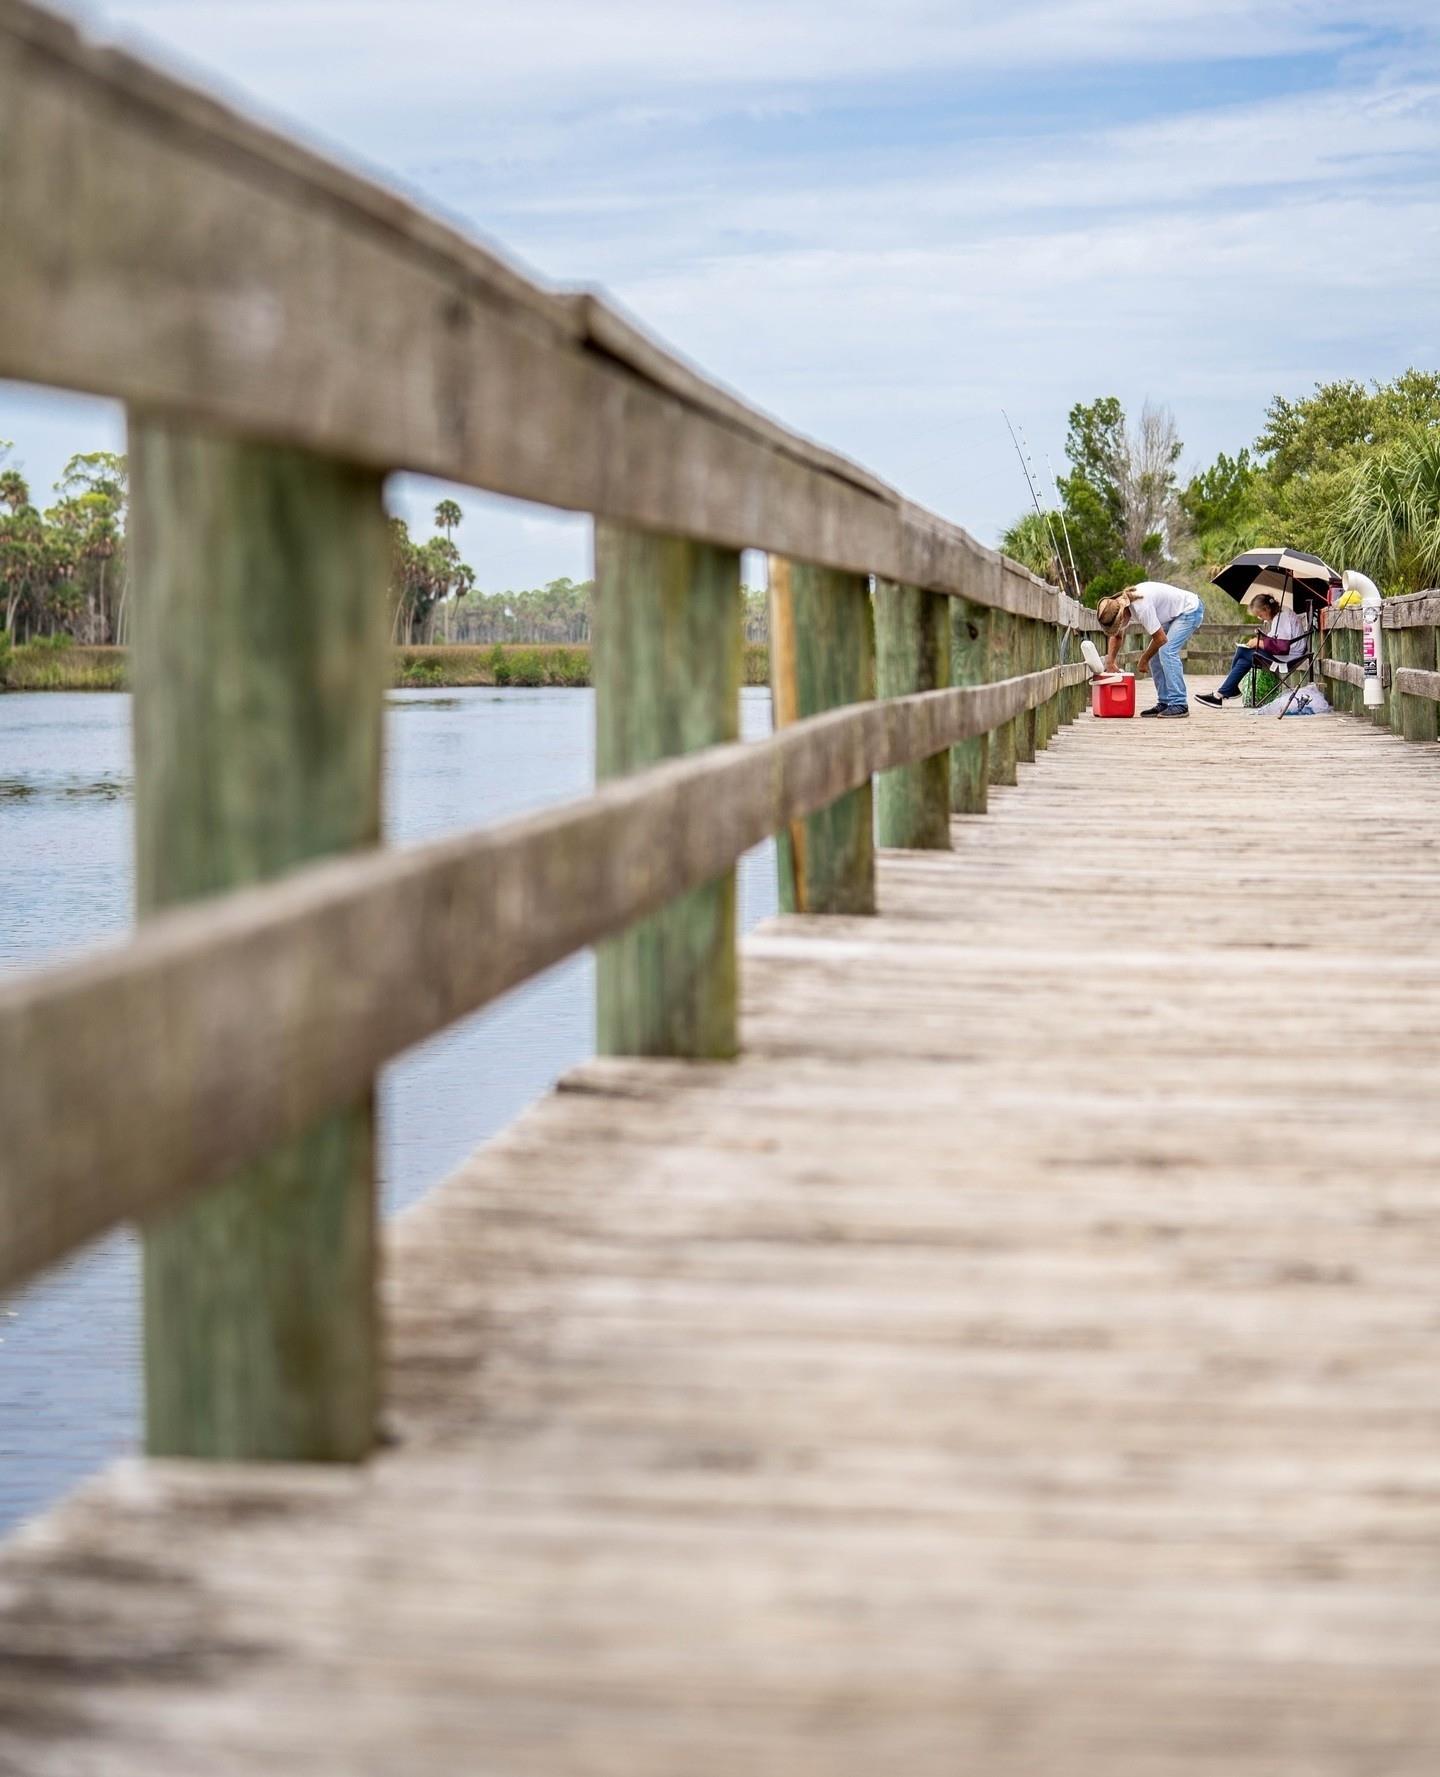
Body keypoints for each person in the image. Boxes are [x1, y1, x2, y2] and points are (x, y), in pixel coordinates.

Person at [1095, 580, 1205, 717]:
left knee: (1167, 651)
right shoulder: (1118, 604)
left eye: (1118, 624)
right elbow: (1117, 637)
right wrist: (1110, 663)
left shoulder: (1142, 607)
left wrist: (1144, 659)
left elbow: (1161, 639)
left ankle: (1179, 703)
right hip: (1173, 615)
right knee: (1156, 655)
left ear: (1122, 615)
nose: (1118, 627)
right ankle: (1164, 702)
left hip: (1190, 609)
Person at [1195, 594, 1305, 708]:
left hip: (1288, 658)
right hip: (1286, 654)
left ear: (1266, 608)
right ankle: (1221, 694)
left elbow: (1282, 647)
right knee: (1244, 659)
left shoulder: (1282, 617)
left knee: (1242, 651)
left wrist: (1259, 642)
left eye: (1260, 614)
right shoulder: (1280, 615)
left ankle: (1228, 691)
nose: (1260, 618)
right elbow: (1278, 640)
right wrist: (1260, 638)